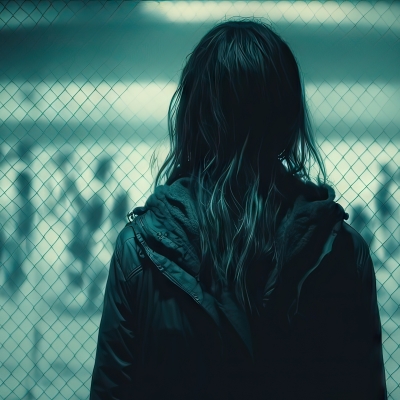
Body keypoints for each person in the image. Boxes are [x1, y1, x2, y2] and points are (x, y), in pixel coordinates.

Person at [90, 18, 387, 399]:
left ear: (192, 118)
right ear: (288, 119)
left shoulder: (140, 251)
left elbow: (112, 391)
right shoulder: (343, 252)